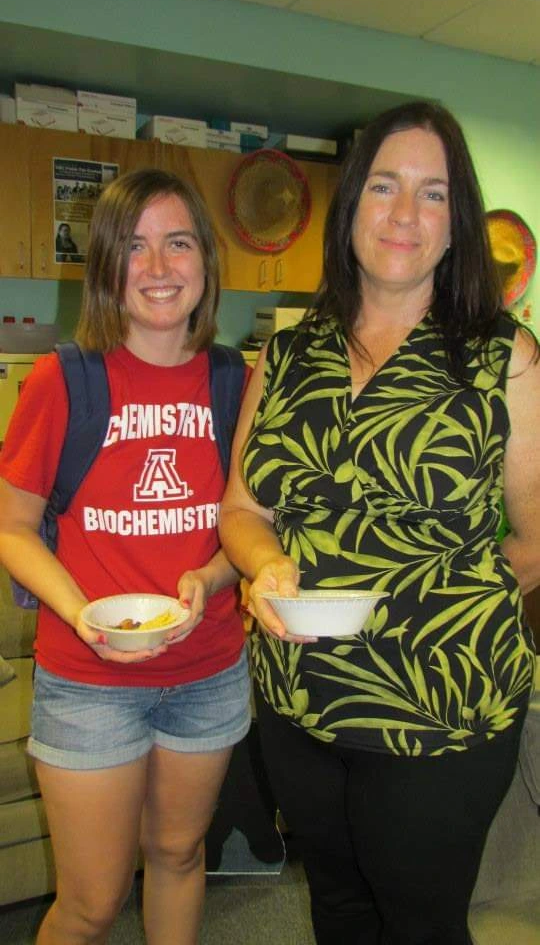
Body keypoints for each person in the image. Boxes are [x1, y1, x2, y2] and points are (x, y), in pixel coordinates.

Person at [219, 101, 540, 945]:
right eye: (386, 187)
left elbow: (535, 540)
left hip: (439, 707)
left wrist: (435, 608)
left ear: (456, 222)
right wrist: (265, 569)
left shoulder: (502, 357)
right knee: (339, 909)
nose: (405, 214)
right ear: (352, 204)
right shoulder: (287, 354)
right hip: (300, 703)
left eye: (433, 194)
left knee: (421, 923)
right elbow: (243, 509)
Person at [0, 168, 251, 945]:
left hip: (208, 669)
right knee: (91, 904)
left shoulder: (235, 383)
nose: (158, 266)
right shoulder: (61, 379)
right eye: (134, 247)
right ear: (107, 266)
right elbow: (12, 525)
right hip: (89, 680)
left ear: (205, 262)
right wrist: (77, 611)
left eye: (177, 243)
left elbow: (252, 524)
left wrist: (211, 578)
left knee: (178, 854)